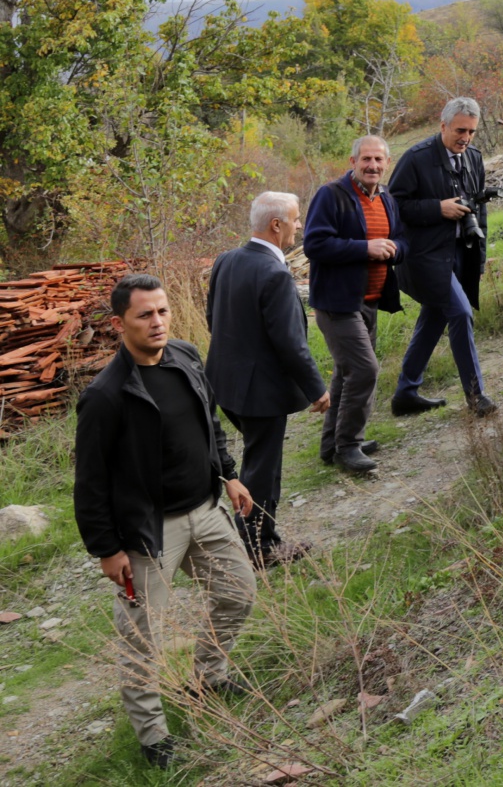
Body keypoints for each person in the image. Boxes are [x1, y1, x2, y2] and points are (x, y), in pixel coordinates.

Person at [73, 274, 257, 770]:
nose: (158, 322)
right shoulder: (105, 395)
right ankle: (153, 737)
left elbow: (209, 422)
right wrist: (107, 549)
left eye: (163, 311)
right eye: (144, 315)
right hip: (149, 533)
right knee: (141, 638)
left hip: (206, 511)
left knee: (239, 593)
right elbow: (90, 482)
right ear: (120, 324)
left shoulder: (186, 357)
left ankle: (209, 676)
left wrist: (229, 474)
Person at [204, 192, 329, 565]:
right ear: (276, 225)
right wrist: (317, 389)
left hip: (224, 384)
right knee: (263, 468)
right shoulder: (274, 273)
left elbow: (213, 319)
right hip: (259, 392)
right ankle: (260, 547)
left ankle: (252, 538)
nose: (299, 226)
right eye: (295, 218)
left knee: (258, 461)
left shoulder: (226, 259)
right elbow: (291, 343)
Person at [388, 97, 496, 417]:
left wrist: (479, 258)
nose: (466, 137)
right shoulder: (416, 158)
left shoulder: (474, 157)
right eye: (460, 130)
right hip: (424, 256)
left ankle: (406, 393)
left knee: (435, 316)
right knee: (460, 313)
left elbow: (480, 211)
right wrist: (438, 208)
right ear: (443, 125)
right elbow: (394, 207)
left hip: (461, 251)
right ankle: (476, 396)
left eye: (472, 131)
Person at [304, 134, 405, 472]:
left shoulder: (387, 198)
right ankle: (349, 446)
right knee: (364, 370)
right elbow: (314, 244)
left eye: (378, 160)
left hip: (370, 301)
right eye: (366, 159)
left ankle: (332, 444)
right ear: (353, 162)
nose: (372, 165)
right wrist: (365, 248)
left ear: (387, 163)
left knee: (347, 373)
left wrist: (394, 249)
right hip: (337, 303)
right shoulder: (331, 195)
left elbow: (402, 239)